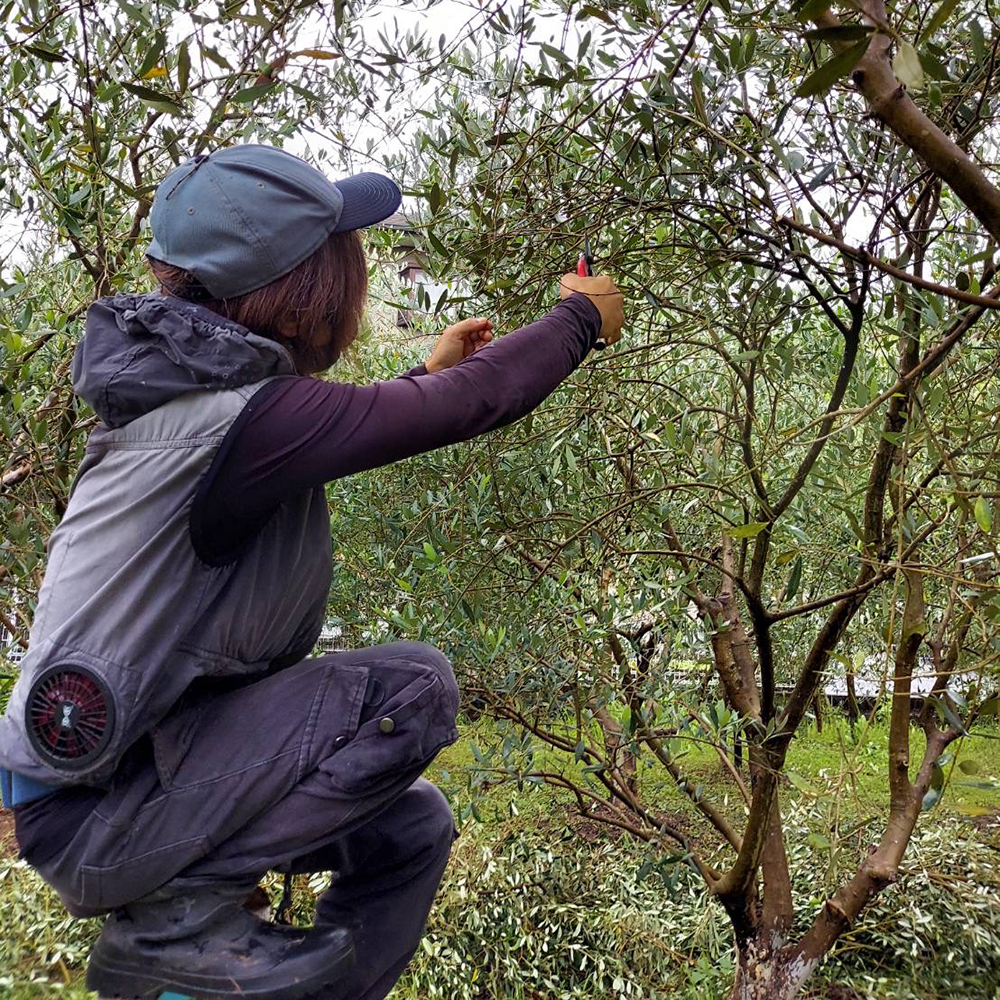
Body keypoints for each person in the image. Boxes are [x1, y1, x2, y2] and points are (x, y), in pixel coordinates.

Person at [0, 143, 625, 1000]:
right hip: (97, 817)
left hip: (116, 791)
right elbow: (464, 407)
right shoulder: (235, 418)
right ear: (306, 287)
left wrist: (423, 375)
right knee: (412, 688)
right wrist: (577, 320)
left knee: (411, 830)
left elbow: (356, 419)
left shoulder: (196, 403)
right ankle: (175, 925)